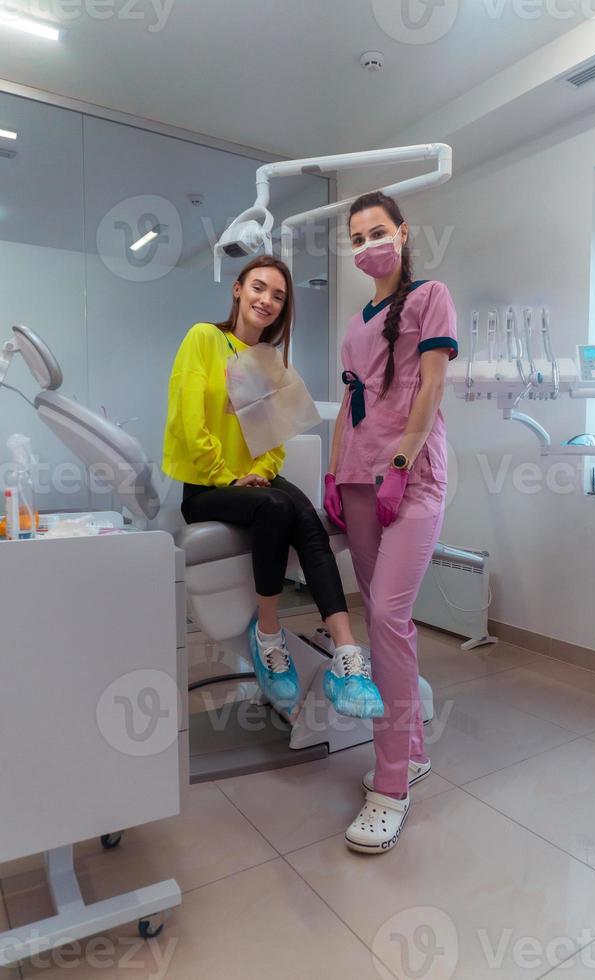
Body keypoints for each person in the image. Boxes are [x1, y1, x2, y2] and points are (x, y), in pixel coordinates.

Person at [162, 255, 383, 719]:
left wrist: (261, 470)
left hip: (254, 480)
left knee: (306, 519)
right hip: (208, 486)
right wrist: (229, 475)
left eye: (278, 296)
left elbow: (274, 439)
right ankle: (267, 635)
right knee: (274, 508)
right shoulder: (203, 339)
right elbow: (187, 421)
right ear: (238, 289)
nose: (267, 300)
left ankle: (347, 655)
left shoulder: (271, 362)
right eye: (259, 288)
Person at [324, 192, 458, 852]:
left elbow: (430, 385)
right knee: (382, 618)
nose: (368, 243)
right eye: (358, 236)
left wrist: (402, 458)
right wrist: (332, 470)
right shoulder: (354, 324)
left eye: (378, 231)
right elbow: (348, 405)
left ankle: (391, 784)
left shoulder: (430, 296)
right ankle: (413, 748)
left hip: (411, 480)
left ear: (402, 234)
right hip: (356, 480)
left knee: (387, 617)